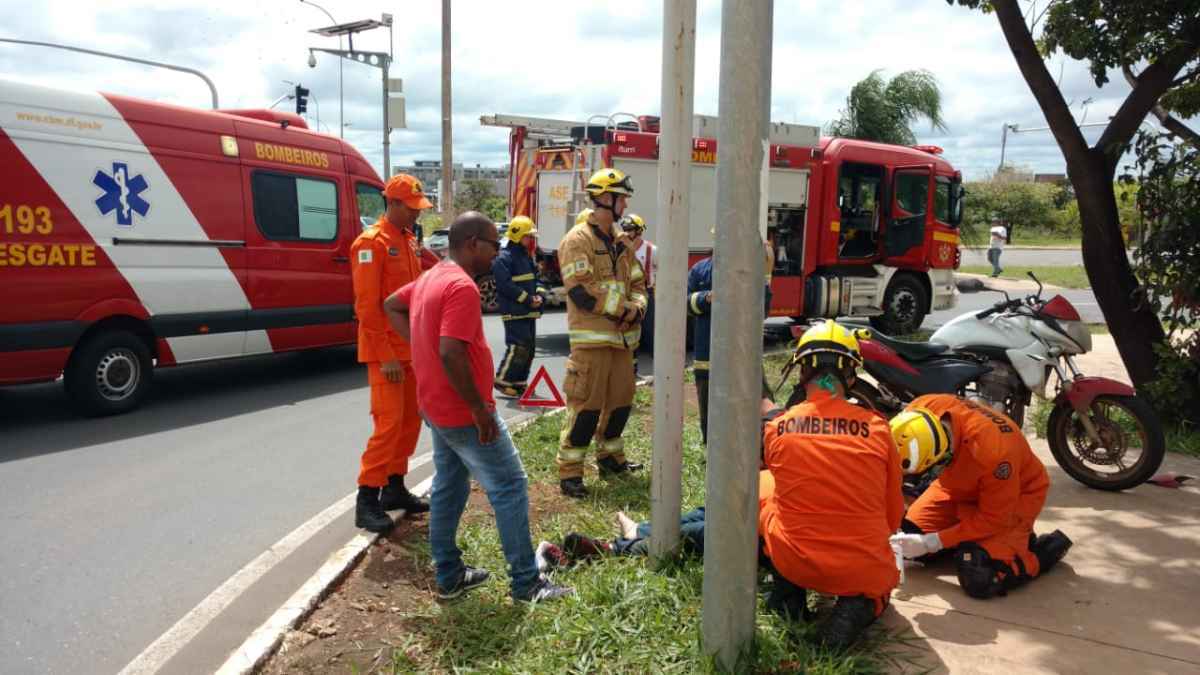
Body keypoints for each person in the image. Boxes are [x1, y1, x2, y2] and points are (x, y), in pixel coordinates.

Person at [383, 212, 572, 603]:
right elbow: (451, 352)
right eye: (493, 244)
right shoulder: (460, 287)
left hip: (435, 407)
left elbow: (392, 306)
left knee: (449, 487)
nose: (497, 253)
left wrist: (423, 351)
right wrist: (479, 410)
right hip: (461, 411)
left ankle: (450, 576)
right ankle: (526, 584)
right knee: (510, 485)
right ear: (472, 243)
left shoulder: (431, 276)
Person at [757, 320, 903, 649]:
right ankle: (858, 605)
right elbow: (893, 512)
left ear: (801, 372)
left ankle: (788, 588)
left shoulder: (777, 429)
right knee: (878, 579)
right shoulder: (879, 430)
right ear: (851, 376)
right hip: (860, 569)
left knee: (764, 488)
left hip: (795, 559)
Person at [890, 395, 1072, 600]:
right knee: (905, 537)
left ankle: (1041, 551)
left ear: (943, 458)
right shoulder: (916, 414)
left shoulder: (994, 452)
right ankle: (972, 542)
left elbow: (993, 518)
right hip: (956, 488)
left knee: (980, 576)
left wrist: (935, 541)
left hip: (1014, 498)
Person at [556, 168, 647, 499]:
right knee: (586, 408)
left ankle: (611, 459)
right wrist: (624, 309)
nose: (625, 204)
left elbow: (639, 283)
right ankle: (570, 473)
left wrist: (638, 307)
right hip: (591, 344)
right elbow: (581, 290)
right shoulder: (577, 241)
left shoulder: (622, 243)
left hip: (622, 343)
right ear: (606, 199)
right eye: (622, 197)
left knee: (621, 404)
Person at [349, 174, 432, 533]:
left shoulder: (409, 241)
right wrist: (386, 357)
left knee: (410, 423)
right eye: (411, 208)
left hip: (410, 348)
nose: (416, 214)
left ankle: (394, 488)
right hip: (388, 354)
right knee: (388, 425)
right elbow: (367, 309)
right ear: (393, 203)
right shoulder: (371, 244)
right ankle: (366, 498)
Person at [686, 239, 774, 444]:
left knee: (760, 400)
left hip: (743, 354)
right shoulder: (701, 270)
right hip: (707, 355)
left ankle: (763, 445)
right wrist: (706, 298)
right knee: (709, 410)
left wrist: (766, 275)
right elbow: (685, 303)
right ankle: (711, 451)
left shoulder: (749, 272)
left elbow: (763, 311)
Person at [492, 215, 548, 397]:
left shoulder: (526, 256)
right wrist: (527, 299)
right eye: (528, 236)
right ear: (517, 235)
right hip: (514, 311)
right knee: (518, 346)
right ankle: (502, 380)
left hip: (529, 310)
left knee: (529, 348)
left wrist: (539, 295)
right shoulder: (503, 258)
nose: (531, 240)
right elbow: (505, 285)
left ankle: (518, 382)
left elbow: (536, 279)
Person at [620, 213, 656, 372]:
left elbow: (661, 271)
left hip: (647, 292)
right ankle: (630, 369)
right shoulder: (620, 247)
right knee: (630, 331)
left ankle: (655, 367)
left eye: (631, 229)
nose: (627, 232)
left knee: (649, 330)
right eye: (625, 229)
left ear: (639, 230)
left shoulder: (651, 249)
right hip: (628, 294)